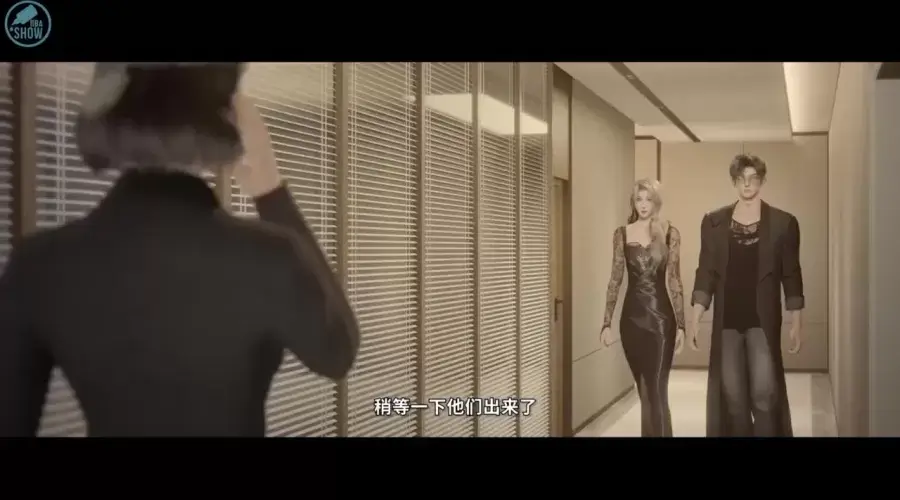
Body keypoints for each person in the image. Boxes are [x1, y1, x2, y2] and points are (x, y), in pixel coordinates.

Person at [0, 63, 360, 437]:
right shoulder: (271, 255)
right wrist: (269, 187)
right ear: (229, 113)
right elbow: (338, 352)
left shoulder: (39, 264)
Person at [688, 153, 803, 437]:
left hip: (762, 322)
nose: (747, 184)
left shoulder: (783, 223)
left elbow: (791, 274)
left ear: (762, 181)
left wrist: (797, 322)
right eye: (741, 179)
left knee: (764, 395)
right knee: (734, 400)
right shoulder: (714, 222)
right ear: (734, 182)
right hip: (727, 321)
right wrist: (695, 316)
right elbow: (706, 271)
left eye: (753, 178)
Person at [600, 178, 686, 437]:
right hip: (631, 323)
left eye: (649, 199)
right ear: (633, 202)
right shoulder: (622, 234)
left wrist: (682, 324)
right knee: (645, 393)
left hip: (661, 324)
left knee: (657, 393)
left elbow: (674, 280)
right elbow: (615, 279)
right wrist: (606, 323)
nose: (644, 204)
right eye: (639, 199)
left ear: (656, 202)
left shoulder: (670, 233)